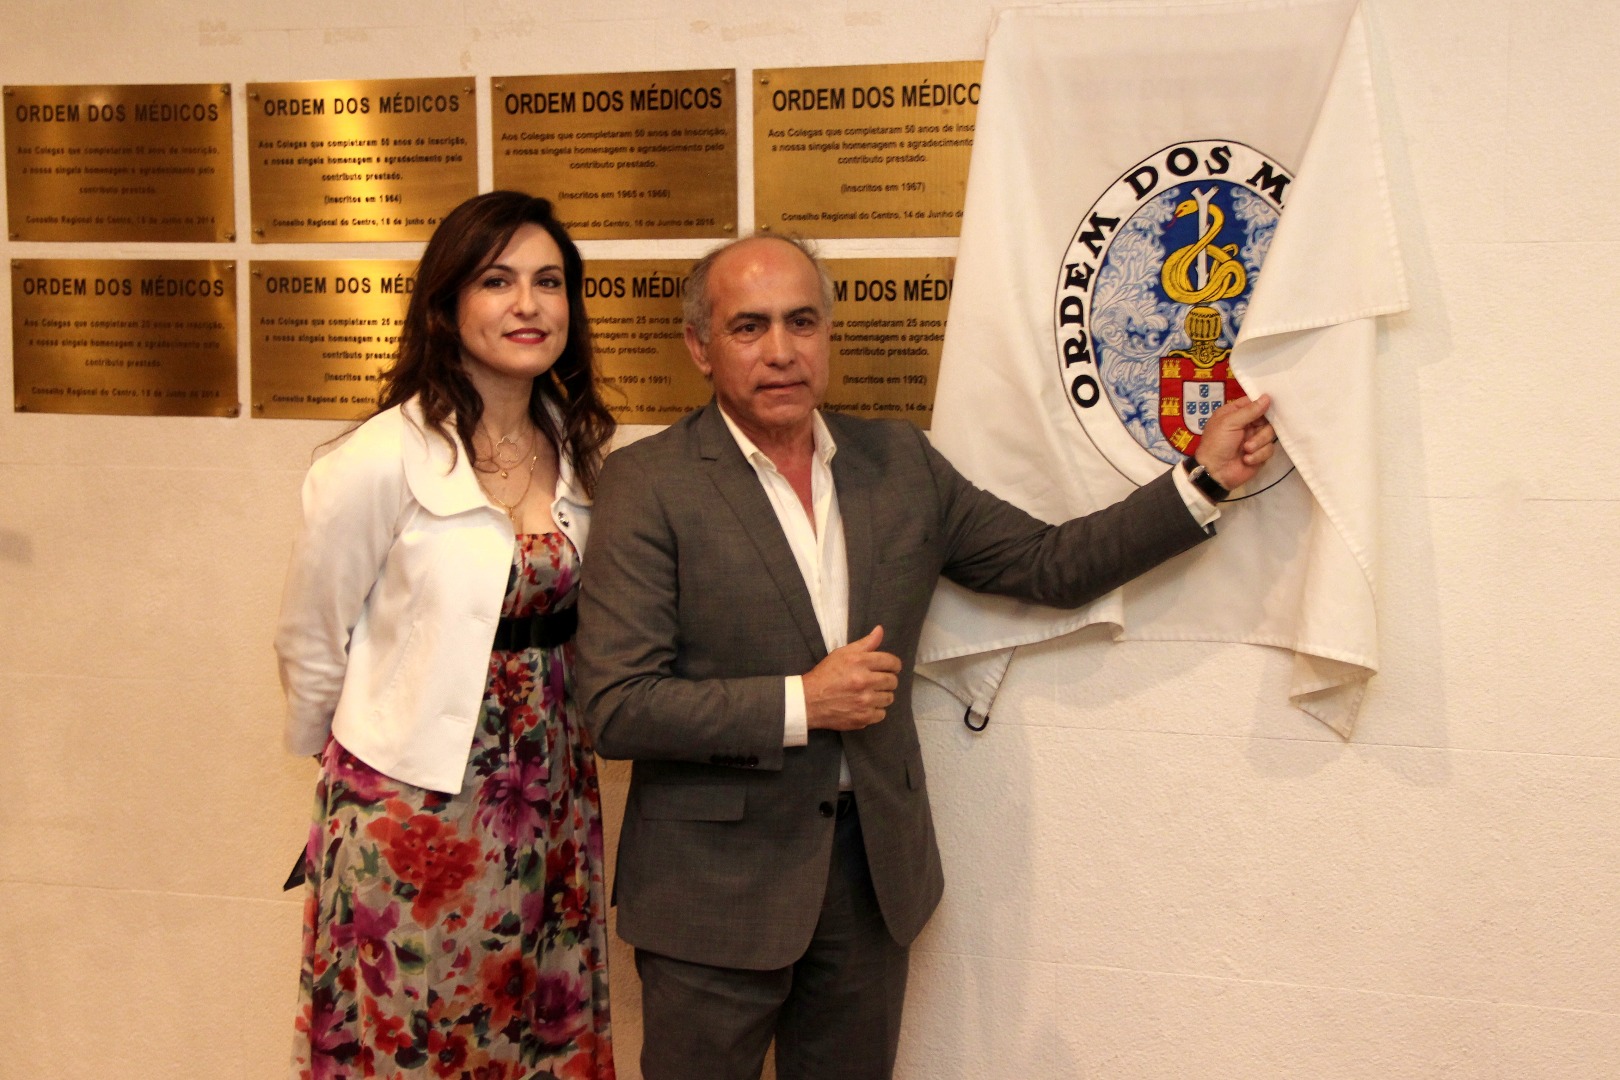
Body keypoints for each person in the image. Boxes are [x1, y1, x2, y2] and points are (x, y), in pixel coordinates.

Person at [574, 234, 1276, 1080]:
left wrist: (1200, 480)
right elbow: (617, 706)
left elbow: (1049, 565)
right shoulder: (648, 482)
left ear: (829, 333)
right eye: (749, 327)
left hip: (870, 881)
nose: (782, 350)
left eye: (802, 322)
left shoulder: (897, 462)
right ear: (700, 346)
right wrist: (803, 702)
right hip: (709, 893)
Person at [275, 191, 618, 1080]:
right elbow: (311, 636)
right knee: (422, 1033)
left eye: (549, 282)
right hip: (414, 810)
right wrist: (353, 771)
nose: (528, 304)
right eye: (497, 281)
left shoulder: (580, 447)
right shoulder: (376, 459)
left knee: (538, 1029)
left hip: (552, 797)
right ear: (447, 303)